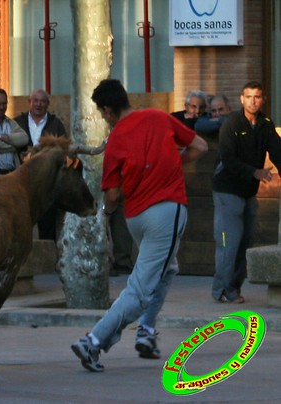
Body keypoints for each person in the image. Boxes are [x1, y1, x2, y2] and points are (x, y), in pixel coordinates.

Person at [70, 79, 208, 372]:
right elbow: (200, 145)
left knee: (167, 268)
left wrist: (106, 212)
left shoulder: (116, 138)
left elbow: (112, 195)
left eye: (102, 112)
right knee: (140, 287)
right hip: (166, 211)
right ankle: (94, 340)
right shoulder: (159, 117)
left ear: (108, 110)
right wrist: (176, 162)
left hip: (136, 217)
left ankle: (145, 329)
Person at [211, 81, 281, 304]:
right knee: (228, 242)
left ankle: (233, 287)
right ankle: (222, 290)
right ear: (241, 99)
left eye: (257, 97)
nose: (253, 101)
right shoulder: (231, 124)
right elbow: (228, 160)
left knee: (246, 240)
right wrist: (255, 172)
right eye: (248, 96)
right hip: (227, 190)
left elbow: (278, 152)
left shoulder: (266, 124)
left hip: (248, 193)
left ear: (263, 100)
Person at [14, 89, 69, 240]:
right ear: (29, 103)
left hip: (47, 181)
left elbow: (64, 149)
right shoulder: (17, 123)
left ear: (47, 104)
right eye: (36, 101)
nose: (39, 104)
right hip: (22, 179)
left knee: (47, 223)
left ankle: (48, 257)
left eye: (42, 101)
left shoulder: (56, 124)